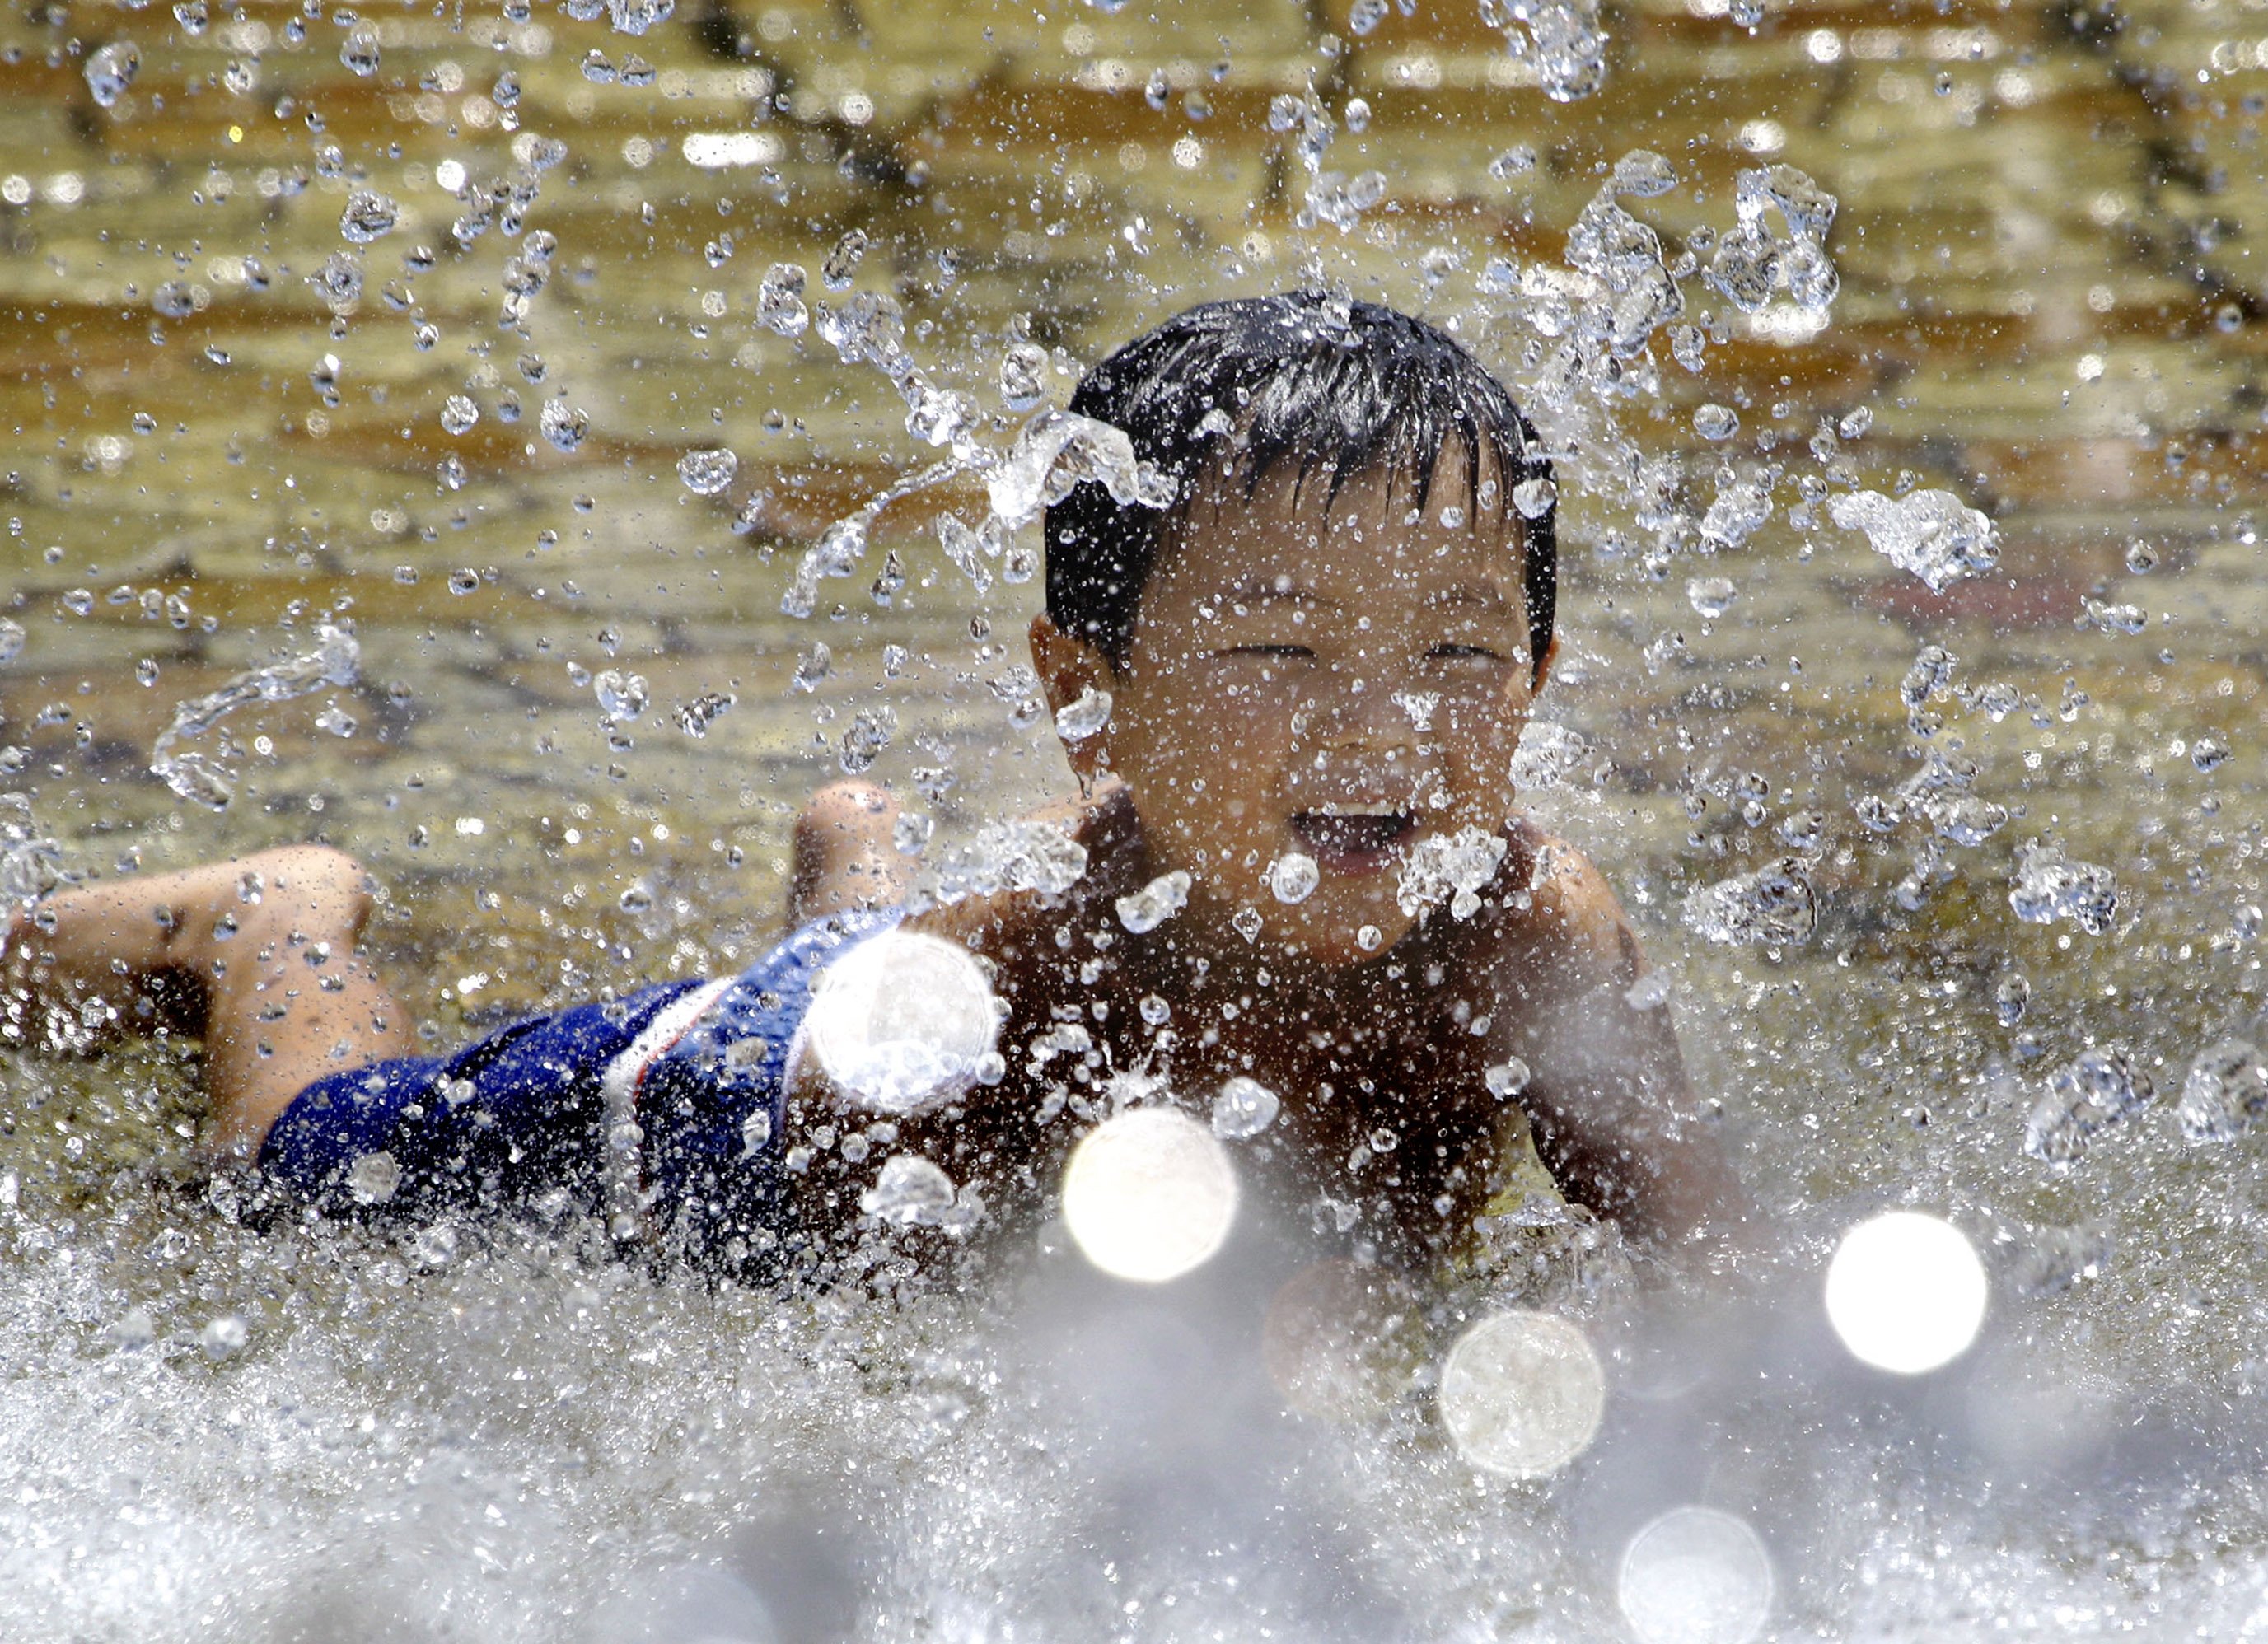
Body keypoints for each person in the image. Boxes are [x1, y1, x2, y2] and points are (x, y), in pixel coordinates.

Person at [0, 293, 1742, 1284]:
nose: (1382, 728)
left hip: (900, 971)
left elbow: (1719, 1269)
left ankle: (856, 863)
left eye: (1455, 653)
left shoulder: (1535, 927)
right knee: (292, 1188)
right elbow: (880, 1376)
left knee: (887, 949)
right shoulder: (1018, 994)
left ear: (1537, 680)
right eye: (1279, 653)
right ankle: (260, 921)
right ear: (1088, 700)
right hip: (726, 1102)